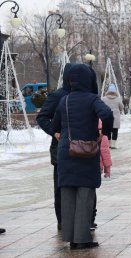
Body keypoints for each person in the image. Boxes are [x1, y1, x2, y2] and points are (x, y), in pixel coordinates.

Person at [52, 64, 113, 249]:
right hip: (86, 152)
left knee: (68, 193)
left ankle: (71, 238)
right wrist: (104, 134)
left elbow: (55, 125)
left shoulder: (65, 100)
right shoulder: (92, 99)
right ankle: (82, 239)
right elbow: (107, 114)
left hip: (66, 152)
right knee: (85, 194)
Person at [36, 63, 73, 230]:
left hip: (83, 147)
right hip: (60, 148)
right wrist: (55, 132)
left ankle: (83, 218)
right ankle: (63, 220)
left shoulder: (86, 94)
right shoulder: (58, 95)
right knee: (61, 185)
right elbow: (42, 117)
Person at [102, 83, 124, 149]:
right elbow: (122, 107)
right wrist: (119, 109)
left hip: (106, 117)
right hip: (115, 118)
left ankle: (108, 144)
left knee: (107, 131)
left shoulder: (103, 99)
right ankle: (113, 145)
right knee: (115, 131)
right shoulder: (118, 99)